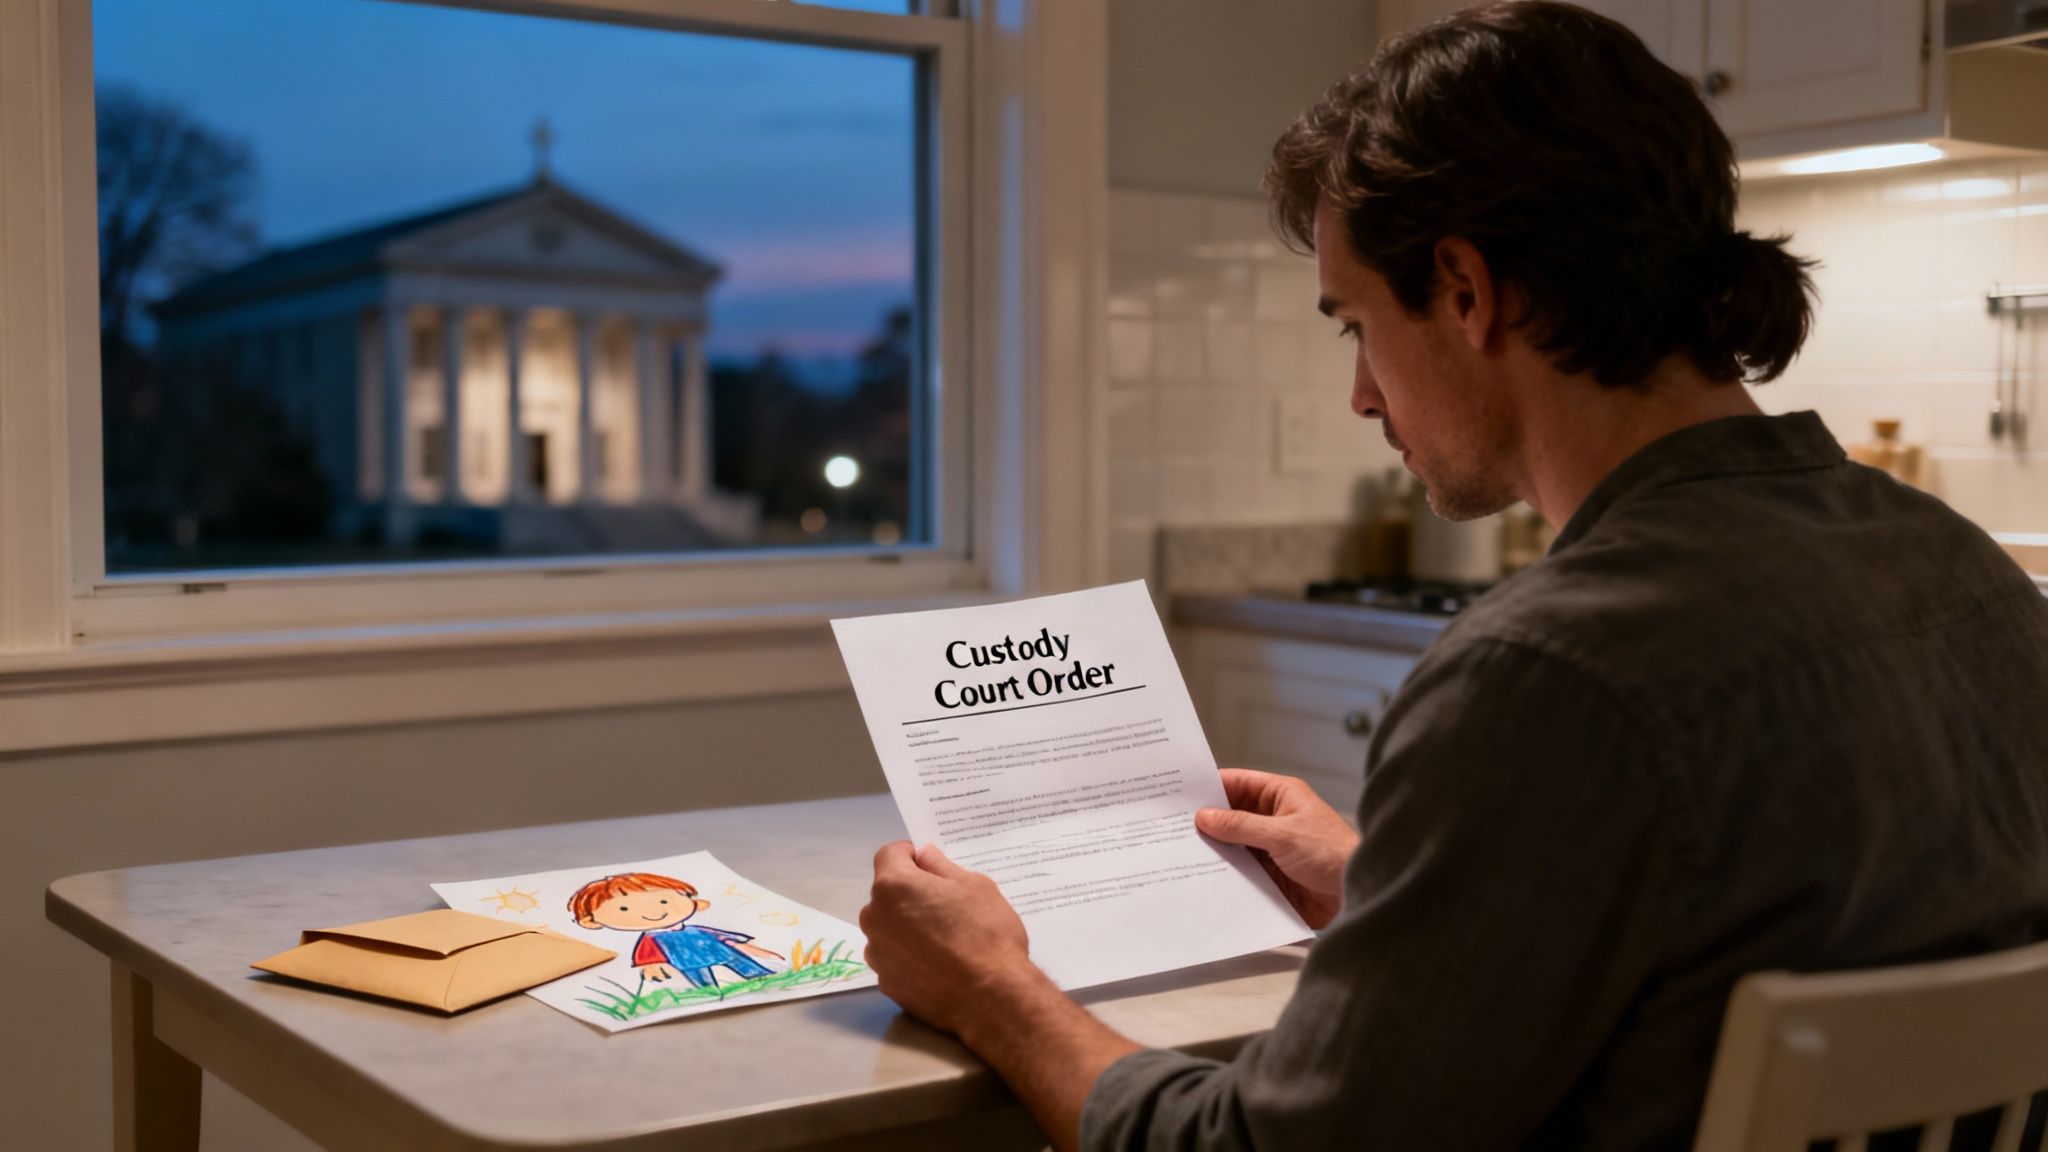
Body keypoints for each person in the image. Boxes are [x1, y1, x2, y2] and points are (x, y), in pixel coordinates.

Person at [857, 3, 2048, 1150]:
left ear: (1468, 293)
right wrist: (1391, 881)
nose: (1362, 395)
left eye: (1355, 326)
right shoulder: (1963, 570)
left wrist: (991, 990)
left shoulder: (1545, 674)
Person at [568, 872, 783, 988]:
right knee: (701, 982)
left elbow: (726, 939)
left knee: (740, 961)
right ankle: (707, 992)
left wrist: (750, 947)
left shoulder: (698, 929)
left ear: (696, 903)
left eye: (663, 901)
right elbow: (648, 956)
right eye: (624, 908)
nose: (653, 911)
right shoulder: (651, 939)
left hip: (720, 951)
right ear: (591, 921)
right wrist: (651, 967)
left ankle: (761, 975)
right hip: (685, 962)